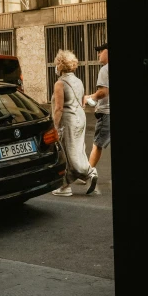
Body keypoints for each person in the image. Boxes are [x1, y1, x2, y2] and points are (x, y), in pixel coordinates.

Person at [51, 50, 98, 196]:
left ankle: (88, 172)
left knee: (67, 152)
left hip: (68, 120)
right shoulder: (78, 81)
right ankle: (66, 185)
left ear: (60, 65)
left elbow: (59, 108)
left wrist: (55, 126)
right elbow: (82, 101)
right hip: (80, 117)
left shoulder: (60, 83)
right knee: (78, 150)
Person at [83, 42, 110, 180]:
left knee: (97, 144)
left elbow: (103, 92)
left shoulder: (105, 69)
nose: (99, 54)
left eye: (101, 51)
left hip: (106, 113)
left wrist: (90, 97)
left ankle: (87, 174)